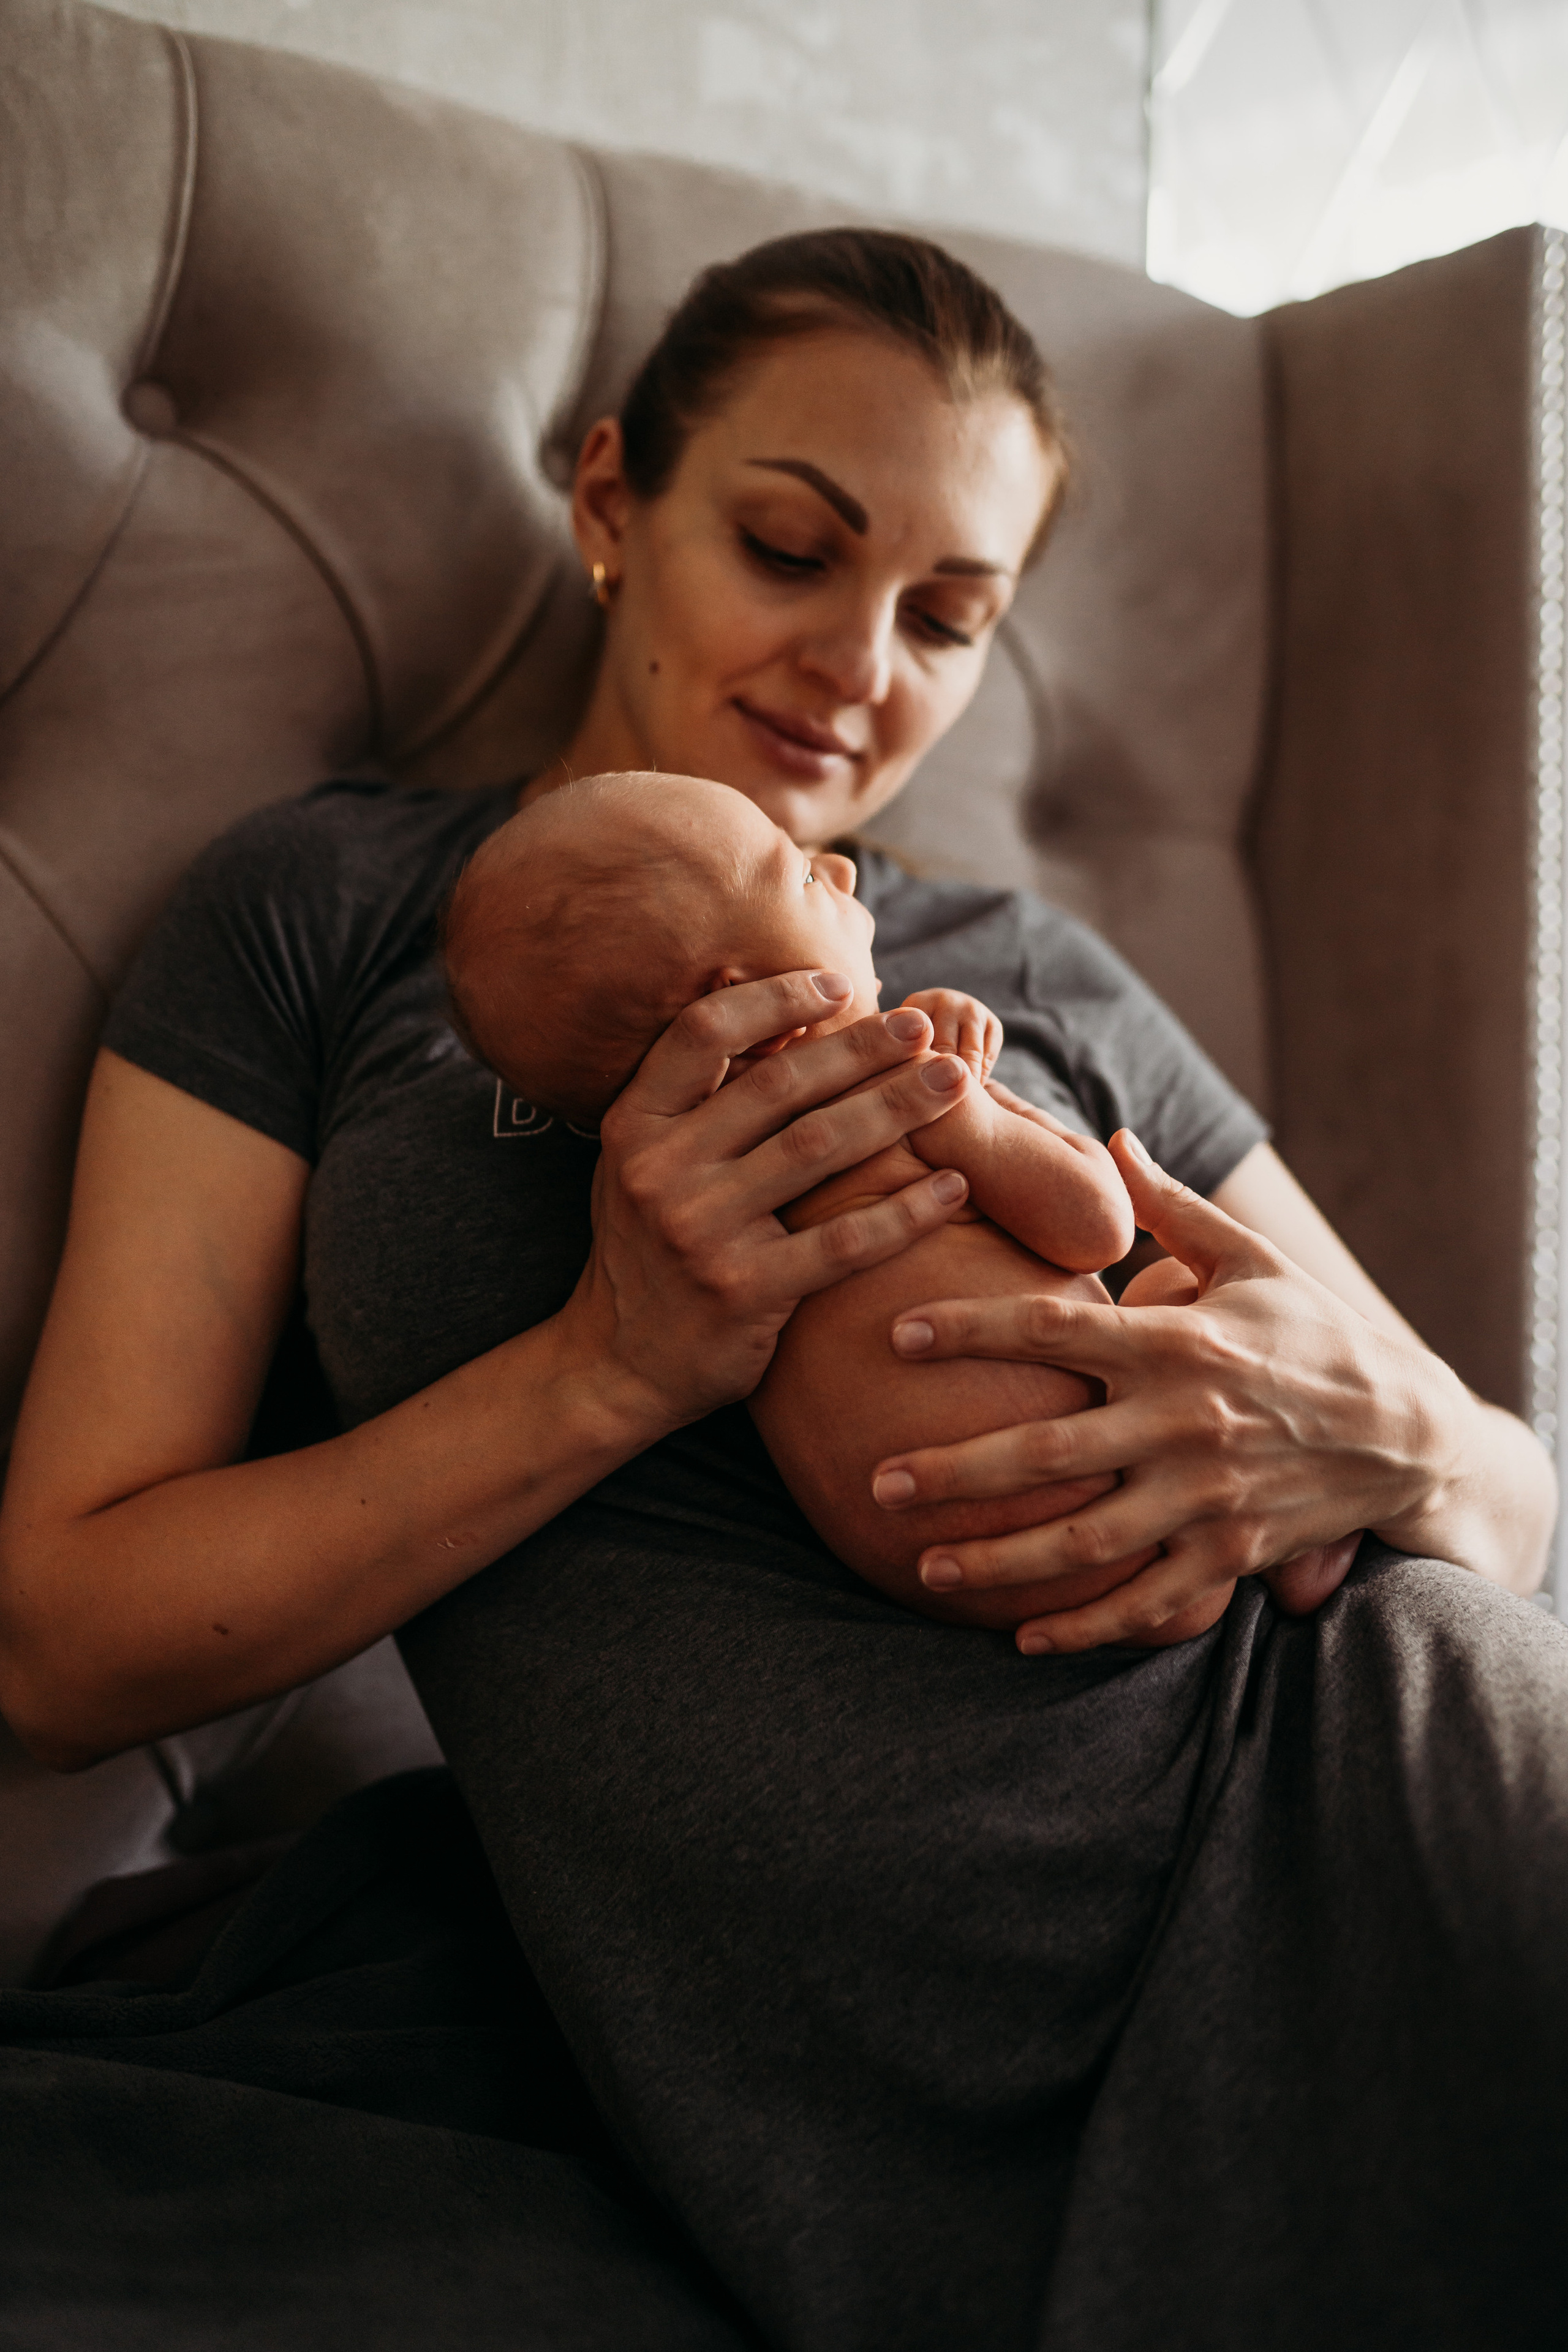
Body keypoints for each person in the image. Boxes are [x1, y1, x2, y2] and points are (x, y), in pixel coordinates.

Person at [0, 227, 1563, 2351]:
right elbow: (60, 1640)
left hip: (1367, 1775)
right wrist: (602, 1370)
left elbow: (1510, 1501)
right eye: (790, 545)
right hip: (859, 2093)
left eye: (950, 614)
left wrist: (1381, 1433)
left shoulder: (1034, 978)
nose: (860, 663)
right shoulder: (336, 910)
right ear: (617, 503)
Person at [441, 767, 1355, 1640]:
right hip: (1128, 1505)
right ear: (754, 1005)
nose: (840, 867)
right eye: (797, 873)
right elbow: (1099, 1227)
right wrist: (973, 1103)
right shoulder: (905, 1103)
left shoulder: (688, 1221)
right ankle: (1306, 1545)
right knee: (1165, 1295)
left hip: (949, 1573)